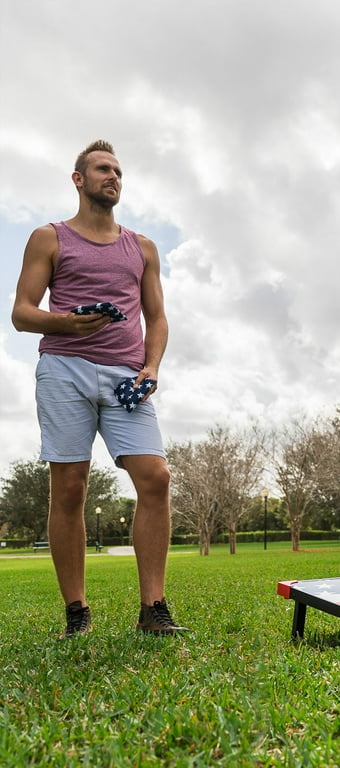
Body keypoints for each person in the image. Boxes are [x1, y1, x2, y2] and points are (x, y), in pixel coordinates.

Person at [11, 140, 188, 638]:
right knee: (69, 487)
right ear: (78, 179)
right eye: (102, 169)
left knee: (155, 478)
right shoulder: (49, 237)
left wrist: (151, 367)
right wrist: (68, 323)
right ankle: (77, 612)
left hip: (126, 376)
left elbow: (157, 317)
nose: (113, 177)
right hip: (64, 368)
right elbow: (22, 312)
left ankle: (153, 609)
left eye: (118, 171)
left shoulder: (143, 248)